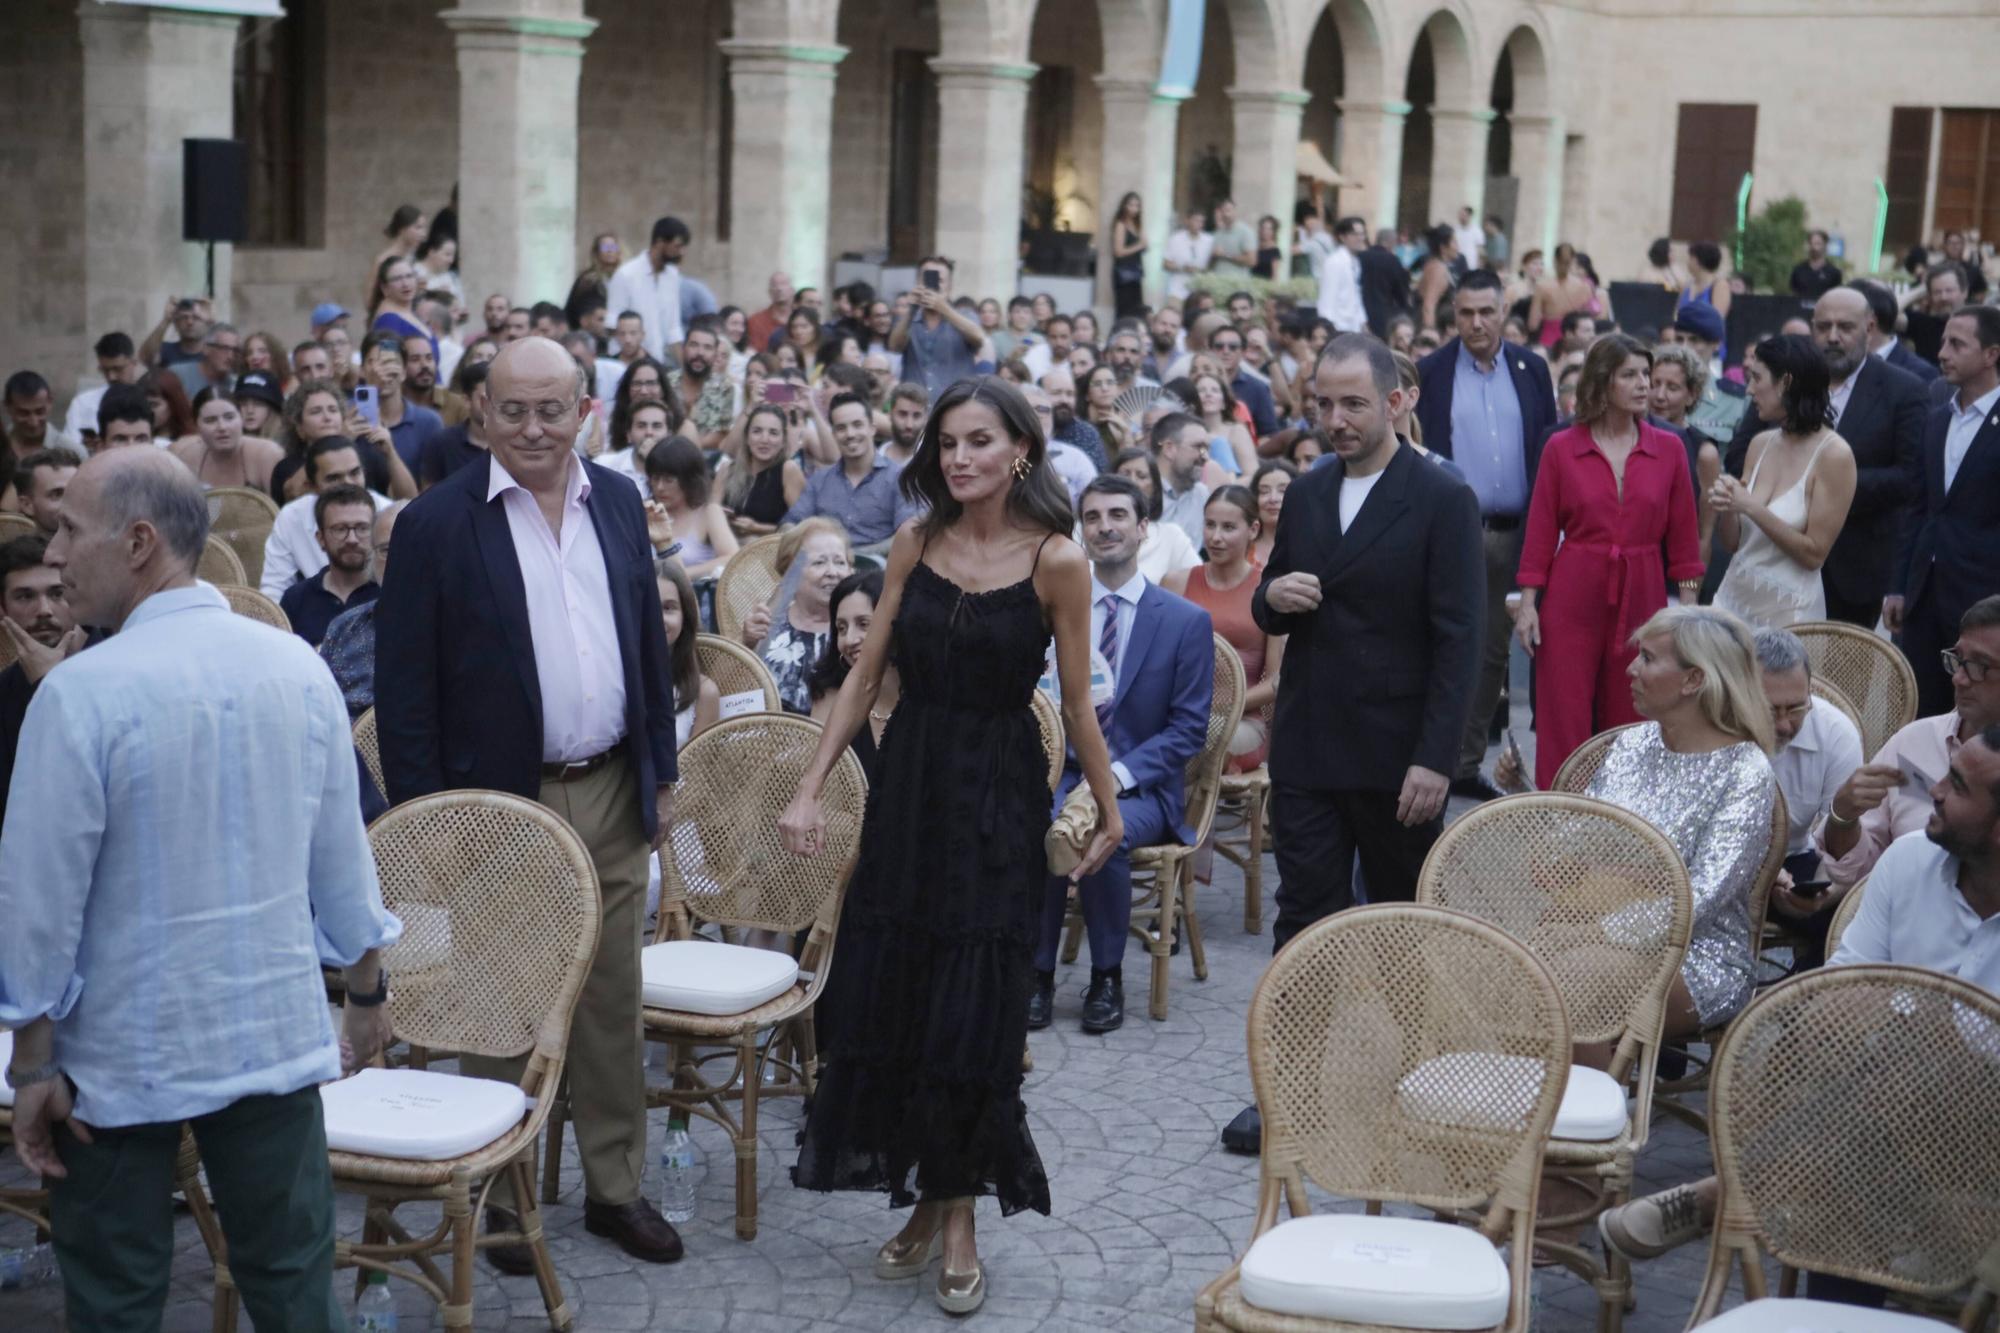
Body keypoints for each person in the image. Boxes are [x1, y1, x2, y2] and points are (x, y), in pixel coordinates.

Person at [0, 447, 397, 1330]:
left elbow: (37, 906)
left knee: (116, 1302)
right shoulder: (295, 667)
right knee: (294, 1287)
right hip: (265, 1038)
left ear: (139, 541)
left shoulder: (77, 696)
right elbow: (343, 861)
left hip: (117, 1057)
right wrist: (365, 990)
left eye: (70, 527)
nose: (54, 552)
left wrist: (32, 1063)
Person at [780, 376, 1121, 1316]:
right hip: (912, 781)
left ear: (1020, 448)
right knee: (900, 992)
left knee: (977, 1009)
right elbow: (863, 674)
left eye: (979, 440)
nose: (959, 457)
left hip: (999, 794)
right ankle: (928, 1201)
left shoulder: (1058, 558)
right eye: (946, 443)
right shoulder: (911, 540)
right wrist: (812, 785)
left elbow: (1082, 701)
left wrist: (1106, 798)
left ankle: (958, 1215)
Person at [375, 336, 685, 1268]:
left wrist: (660, 772)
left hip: (610, 785)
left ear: (585, 410)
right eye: (513, 409)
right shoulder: (434, 525)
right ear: (482, 413)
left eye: (553, 408)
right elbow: (406, 691)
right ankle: (506, 1197)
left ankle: (614, 1188)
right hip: (497, 805)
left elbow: (648, 650)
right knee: (502, 999)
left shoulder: (622, 501)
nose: (535, 427)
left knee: (610, 1000)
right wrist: (434, 820)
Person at [1600, 723, 2000, 1268]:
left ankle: (1727, 1192)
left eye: (1958, 786)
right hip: (1880, 1111)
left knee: (1911, 1072)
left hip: (1981, 1136)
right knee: (1862, 1093)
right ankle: (1759, 1196)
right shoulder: (1910, 862)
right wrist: (1916, 1024)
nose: (1933, 791)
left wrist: (1913, 1019)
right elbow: (1837, 994)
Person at [1223, 334, 1482, 1154]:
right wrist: (1273, 596)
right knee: (1304, 921)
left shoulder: (1441, 497)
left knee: (1404, 926)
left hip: (1400, 752)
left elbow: (1460, 641)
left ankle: (1414, 1086)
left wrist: (1437, 757)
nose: (1334, 420)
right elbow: (1273, 603)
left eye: (1352, 404)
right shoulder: (1304, 492)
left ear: (1397, 401)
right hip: (1310, 744)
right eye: (1322, 405)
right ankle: (1287, 1087)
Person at [1033, 474, 1211, 1035]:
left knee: (1096, 832)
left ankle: (1106, 975)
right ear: (1080, 531)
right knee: (1033, 822)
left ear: (1143, 529)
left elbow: (1187, 731)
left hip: (1142, 788)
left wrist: (1112, 775)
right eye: (1092, 517)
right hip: (1059, 773)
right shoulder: (1057, 613)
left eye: (1117, 516)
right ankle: (1035, 975)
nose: (1105, 527)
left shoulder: (1184, 622)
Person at [1516, 335, 1705, 787]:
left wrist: (1689, 612)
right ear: (1603, 381)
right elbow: (1540, 532)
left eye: (1646, 374)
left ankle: (1627, 825)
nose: (1645, 385)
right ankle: (1558, 823)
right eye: (1631, 375)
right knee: (1565, 717)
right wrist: (1526, 605)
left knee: (1634, 716)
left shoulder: (1670, 449)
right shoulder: (1561, 447)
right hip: (1571, 592)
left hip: (1641, 592)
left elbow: (1684, 544)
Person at [1592, 605, 1779, 1031]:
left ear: (1694, 680)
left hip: (1701, 956)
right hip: (1597, 928)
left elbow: (1702, 896)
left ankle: (1585, 1097)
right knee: (1512, 962)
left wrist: (1604, 926)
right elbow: (1586, 839)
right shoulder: (1632, 744)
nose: (1630, 670)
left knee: (1579, 979)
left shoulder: (1745, 771)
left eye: (1648, 659)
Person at [1414, 269, 1560, 798]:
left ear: (1504, 313)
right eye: (1465, 313)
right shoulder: (1429, 372)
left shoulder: (1531, 369)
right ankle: (1426, 755)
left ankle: (1464, 762)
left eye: (1486, 312)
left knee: (1492, 651)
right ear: (1453, 314)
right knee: (1438, 643)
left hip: (1513, 533)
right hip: (1449, 532)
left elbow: (1547, 452)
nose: (1476, 322)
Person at [1813, 597, 2000, 901]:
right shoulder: (1914, 744)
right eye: (1958, 659)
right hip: (1897, 926)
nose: (1959, 678)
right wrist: (1843, 817)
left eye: (1979, 666)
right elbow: (1853, 874)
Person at [1890, 305, 2000, 716]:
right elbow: (1918, 508)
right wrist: (1899, 585)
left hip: (1986, 597)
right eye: (1942, 342)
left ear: (1991, 354)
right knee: (1922, 710)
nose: (1942, 353)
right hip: (1925, 595)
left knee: (1980, 716)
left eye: (1957, 344)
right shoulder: (1937, 419)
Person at [1802, 287, 1929, 628]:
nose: (1832, 337)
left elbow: (1910, 477)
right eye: (1823, 326)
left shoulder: (1904, 390)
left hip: (1856, 568)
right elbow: (1746, 450)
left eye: (1845, 327)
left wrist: (1828, 489)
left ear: (1870, 328)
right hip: (1784, 560)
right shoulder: (1792, 381)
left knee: (1844, 676)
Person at [1712, 334, 1858, 628]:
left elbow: (1814, 554)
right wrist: (1728, 504)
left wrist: (1752, 507)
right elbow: (1732, 543)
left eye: (1757, 378)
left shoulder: (1834, 455)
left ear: (1786, 382)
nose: (1749, 390)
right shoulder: (1760, 442)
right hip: (1730, 603)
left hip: (1788, 618)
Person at [1752, 626, 1865, 966]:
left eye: (1797, 708)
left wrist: (1827, 892)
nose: (1785, 725)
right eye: (1771, 710)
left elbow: (1845, 851)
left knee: (1846, 923)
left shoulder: (1834, 732)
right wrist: (1762, 871)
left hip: (1794, 857)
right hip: (1708, 860)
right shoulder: (1710, 723)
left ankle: (1798, 1007)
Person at [1169, 485, 1285, 773]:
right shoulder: (1175, 582)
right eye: (1210, 525)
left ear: (1253, 529)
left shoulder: (1269, 591)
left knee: (1190, 739)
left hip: (1241, 722)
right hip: (1181, 715)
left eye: (1229, 527)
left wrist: (1224, 708)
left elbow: (1277, 681)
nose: (1216, 537)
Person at [0, 533, 83, 829]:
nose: (45, 610)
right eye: (25, 596)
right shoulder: (5, 692)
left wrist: (49, 683)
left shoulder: (116, 658)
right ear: (3, 609)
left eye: (57, 593)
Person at [740, 517, 854, 714]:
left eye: (839, 562)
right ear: (789, 572)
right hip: (763, 737)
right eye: (819, 562)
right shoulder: (766, 622)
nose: (832, 572)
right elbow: (724, 686)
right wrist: (745, 642)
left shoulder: (861, 628)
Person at [782, 392, 918, 554]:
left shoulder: (901, 478)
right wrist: (793, 538)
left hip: (878, 570)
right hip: (825, 568)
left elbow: (910, 535)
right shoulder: (819, 481)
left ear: (872, 428)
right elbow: (790, 523)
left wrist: (854, 556)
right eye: (841, 428)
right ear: (833, 434)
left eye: (857, 425)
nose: (850, 434)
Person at [261, 436, 389, 599]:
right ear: (311, 486)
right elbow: (274, 588)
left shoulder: (388, 512)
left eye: (354, 473)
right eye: (334, 478)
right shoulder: (291, 517)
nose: (348, 483)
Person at [807, 569, 895, 781]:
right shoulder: (829, 697)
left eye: (863, 624)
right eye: (841, 628)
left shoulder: (928, 698)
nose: (849, 640)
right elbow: (823, 792)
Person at [319, 502, 402, 717]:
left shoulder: (459, 626)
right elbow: (322, 707)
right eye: (386, 550)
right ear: (372, 559)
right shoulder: (344, 628)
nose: (399, 559)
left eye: (412, 546)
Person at [278, 483, 380, 647]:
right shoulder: (296, 600)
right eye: (340, 529)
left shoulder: (390, 593)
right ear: (321, 539)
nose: (352, 539)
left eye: (362, 528)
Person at [1648, 343, 1725, 554]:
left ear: (1691, 395)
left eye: (1672, 387)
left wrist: (1690, 586)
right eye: (1654, 384)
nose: (1660, 395)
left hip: (1675, 571)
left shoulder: (1704, 452)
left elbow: (1703, 536)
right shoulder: (1629, 436)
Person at [643, 435, 738, 579]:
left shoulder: (708, 512)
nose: (660, 487)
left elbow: (732, 558)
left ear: (689, 480)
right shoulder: (645, 511)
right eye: (655, 478)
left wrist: (683, 576)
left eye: (669, 480)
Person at [891, 257, 982, 398]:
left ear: (950, 286)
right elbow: (894, 347)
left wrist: (944, 308)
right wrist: (911, 310)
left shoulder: (966, 315)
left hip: (953, 405)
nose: (933, 285)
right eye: (926, 279)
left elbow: (978, 339)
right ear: (917, 282)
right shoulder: (907, 317)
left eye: (940, 280)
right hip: (914, 410)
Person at [1110, 447, 1202, 584]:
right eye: (1125, 474)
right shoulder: (1085, 531)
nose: (1131, 482)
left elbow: (1199, 582)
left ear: (1154, 489)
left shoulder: (1171, 536)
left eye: (1141, 476)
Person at [606, 215, 691, 360]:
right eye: (677, 246)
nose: (681, 252)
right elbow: (612, 325)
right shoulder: (626, 275)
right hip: (624, 364)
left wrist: (684, 371)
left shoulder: (672, 276)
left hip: (656, 363)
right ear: (659, 242)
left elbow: (673, 330)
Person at [656, 556, 720, 749]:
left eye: (668, 608)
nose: (658, 619)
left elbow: (696, 772)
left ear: (685, 616)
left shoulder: (704, 693)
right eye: (648, 606)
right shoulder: (615, 681)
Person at [718, 401, 807, 537]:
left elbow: (803, 528)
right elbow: (709, 515)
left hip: (771, 551)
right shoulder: (728, 469)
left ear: (783, 441)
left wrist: (757, 528)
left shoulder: (788, 470)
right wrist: (721, 516)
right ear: (747, 437)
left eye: (773, 433)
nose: (764, 439)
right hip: (729, 548)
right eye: (757, 431)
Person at [173, 386, 284, 492]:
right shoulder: (187, 457)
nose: (222, 427)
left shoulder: (267, 453)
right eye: (210, 420)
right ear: (196, 425)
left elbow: (280, 509)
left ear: (241, 418)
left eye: (229, 417)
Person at [1853, 279, 1941, 386]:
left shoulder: (1920, 373)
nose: (1832, 335)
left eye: (1844, 324)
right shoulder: (1835, 363)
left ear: (1871, 322)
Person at [1307, 215, 1366, 334]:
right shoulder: (1334, 262)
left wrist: (1362, 323)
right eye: (1355, 234)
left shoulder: (1355, 262)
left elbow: (1355, 296)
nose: (1360, 238)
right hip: (1338, 328)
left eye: (1362, 234)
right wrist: (1328, 330)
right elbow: (1326, 299)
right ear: (1342, 237)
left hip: (1353, 328)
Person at [5, 371, 80, 462]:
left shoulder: (74, 452)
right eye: (24, 413)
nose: (33, 422)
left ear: (50, 403)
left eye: (40, 412)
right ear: (7, 407)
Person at [1906, 260, 1968, 368]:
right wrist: (1921, 290)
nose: (1943, 297)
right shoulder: (1922, 323)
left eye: (1949, 290)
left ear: (1964, 292)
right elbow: (1884, 312)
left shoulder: (1981, 323)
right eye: (1937, 292)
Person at [1359, 227, 1413, 338]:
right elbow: (1401, 291)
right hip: (1383, 314)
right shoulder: (1393, 260)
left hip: (1360, 311)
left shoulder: (1361, 256)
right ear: (1392, 242)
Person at [13, 450, 76, 535]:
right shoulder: (15, 548)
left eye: (76, 491)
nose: (73, 502)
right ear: (27, 505)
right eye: (57, 494)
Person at [1249, 460, 1294, 567]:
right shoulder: (1240, 548)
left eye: (1283, 490)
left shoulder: (1311, 547)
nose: (1273, 499)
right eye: (1264, 491)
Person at [1413, 225, 1458, 333]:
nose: (1458, 247)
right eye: (1455, 242)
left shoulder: (1437, 265)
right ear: (1443, 247)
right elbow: (1428, 305)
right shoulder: (1437, 269)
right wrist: (1430, 333)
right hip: (1433, 329)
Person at [1162, 207, 1213, 303]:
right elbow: (1165, 264)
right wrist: (1182, 268)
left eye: (1201, 221)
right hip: (1177, 290)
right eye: (1196, 220)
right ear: (1187, 220)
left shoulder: (1209, 240)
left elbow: (1213, 265)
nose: (1199, 224)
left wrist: (1202, 270)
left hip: (1200, 290)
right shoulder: (1175, 239)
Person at [1110, 191, 1147, 320]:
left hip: (1135, 272)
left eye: (1137, 205)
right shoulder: (1120, 224)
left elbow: (1145, 244)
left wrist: (1142, 242)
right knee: (1124, 309)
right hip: (1124, 273)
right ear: (1124, 206)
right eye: (1131, 205)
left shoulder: (1137, 225)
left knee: (1137, 308)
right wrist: (1139, 246)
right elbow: (1118, 251)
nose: (1134, 208)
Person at [746, 271, 794, 354]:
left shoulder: (801, 321)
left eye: (783, 284)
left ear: (792, 290)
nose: (779, 288)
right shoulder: (755, 321)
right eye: (774, 285)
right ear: (769, 292)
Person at [1208, 198, 1256, 279]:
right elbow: (1212, 262)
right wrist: (1213, 256)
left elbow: (1251, 261)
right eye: (1223, 211)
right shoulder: (1217, 233)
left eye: (1228, 210)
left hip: (1237, 285)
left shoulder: (1245, 232)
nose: (1226, 214)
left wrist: (1225, 255)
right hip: (1218, 283)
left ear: (1235, 211)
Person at [1790, 229, 1844, 300]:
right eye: (1811, 243)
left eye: (1818, 244)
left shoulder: (1834, 273)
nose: (1814, 247)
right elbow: (1793, 294)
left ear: (1825, 245)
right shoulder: (1798, 270)